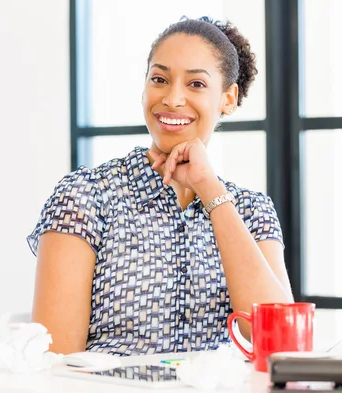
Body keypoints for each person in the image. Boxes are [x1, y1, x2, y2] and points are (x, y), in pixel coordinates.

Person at [27, 16, 294, 356]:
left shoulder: (251, 210)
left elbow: (279, 341)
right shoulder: (86, 197)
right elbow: (54, 362)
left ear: (228, 98)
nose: (172, 98)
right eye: (160, 79)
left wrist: (210, 191)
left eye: (196, 84)